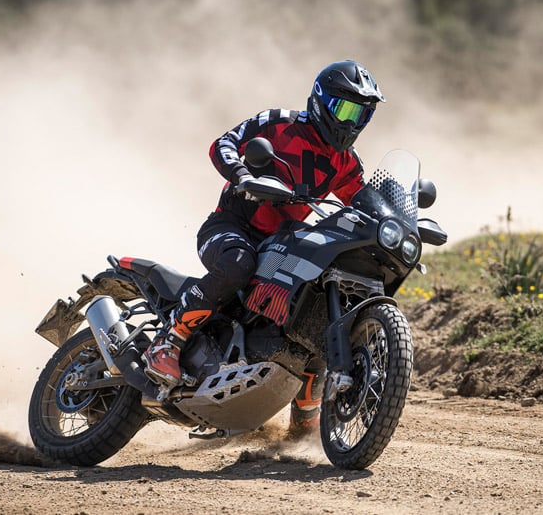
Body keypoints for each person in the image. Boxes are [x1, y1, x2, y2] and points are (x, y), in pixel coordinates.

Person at [142, 59, 385, 435]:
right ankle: (168, 342)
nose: (352, 123)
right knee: (239, 263)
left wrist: (392, 223)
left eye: (362, 114)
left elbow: (362, 202)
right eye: (346, 110)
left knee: (314, 309)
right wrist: (241, 173)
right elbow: (222, 143)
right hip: (230, 227)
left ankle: (303, 423)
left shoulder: (346, 162)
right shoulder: (279, 123)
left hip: (281, 244)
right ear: (322, 101)